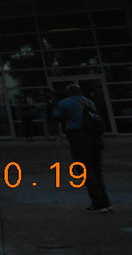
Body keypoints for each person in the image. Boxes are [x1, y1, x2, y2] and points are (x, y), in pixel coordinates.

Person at [53, 83, 111, 213]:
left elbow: (56, 116)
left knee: (85, 169)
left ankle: (97, 203)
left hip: (79, 137)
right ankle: (106, 202)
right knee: (96, 170)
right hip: (95, 138)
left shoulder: (65, 102)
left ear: (67, 93)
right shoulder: (89, 102)